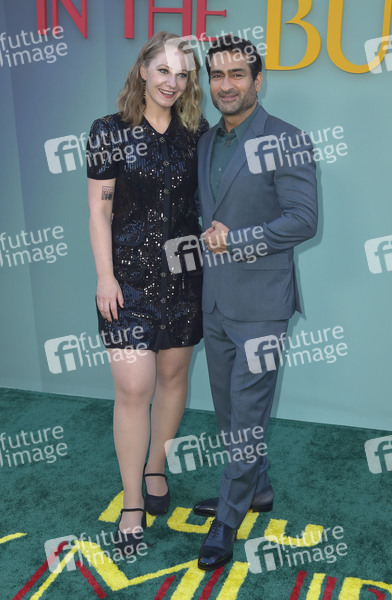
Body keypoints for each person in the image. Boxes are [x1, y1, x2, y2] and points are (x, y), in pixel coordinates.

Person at [193, 35, 318, 570]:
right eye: (217, 75)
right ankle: (256, 489)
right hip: (216, 301)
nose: (226, 86)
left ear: (257, 80)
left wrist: (238, 240)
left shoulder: (286, 139)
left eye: (237, 75)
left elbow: (304, 220)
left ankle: (229, 515)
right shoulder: (206, 141)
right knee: (229, 412)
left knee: (246, 417)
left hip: (263, 304)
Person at [87, 31, 208, 554]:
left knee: (174, 377)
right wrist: (105, 276)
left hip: (184, 276)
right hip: (127, 280)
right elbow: (99, 211)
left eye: (182, 75)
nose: (171, 82)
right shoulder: (108, 131)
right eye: (163, 70)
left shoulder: (196, 133)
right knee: (134, 389)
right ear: (143, 70)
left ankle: (156, 466)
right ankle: (133, 499)